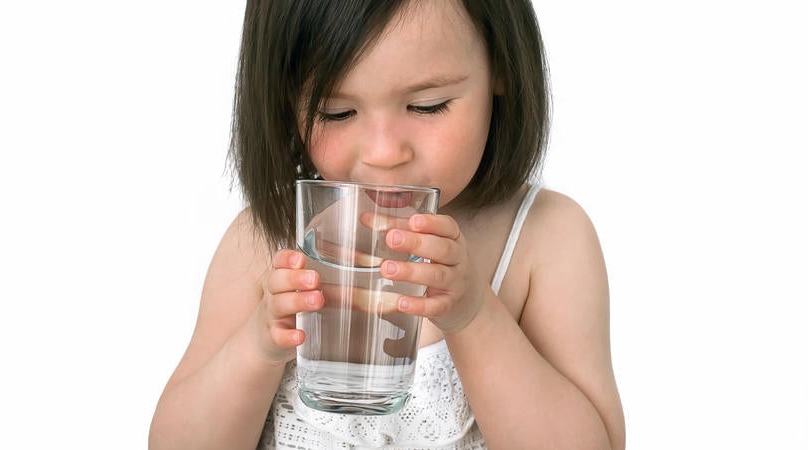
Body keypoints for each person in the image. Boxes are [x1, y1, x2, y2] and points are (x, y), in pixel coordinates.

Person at [149, 0, 625, 448]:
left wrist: (476, 317)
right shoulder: (267, 239)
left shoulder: (545, 241)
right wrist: (257, 347)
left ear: (500, 65)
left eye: (427, 105)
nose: (383, 153)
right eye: (337, 112)